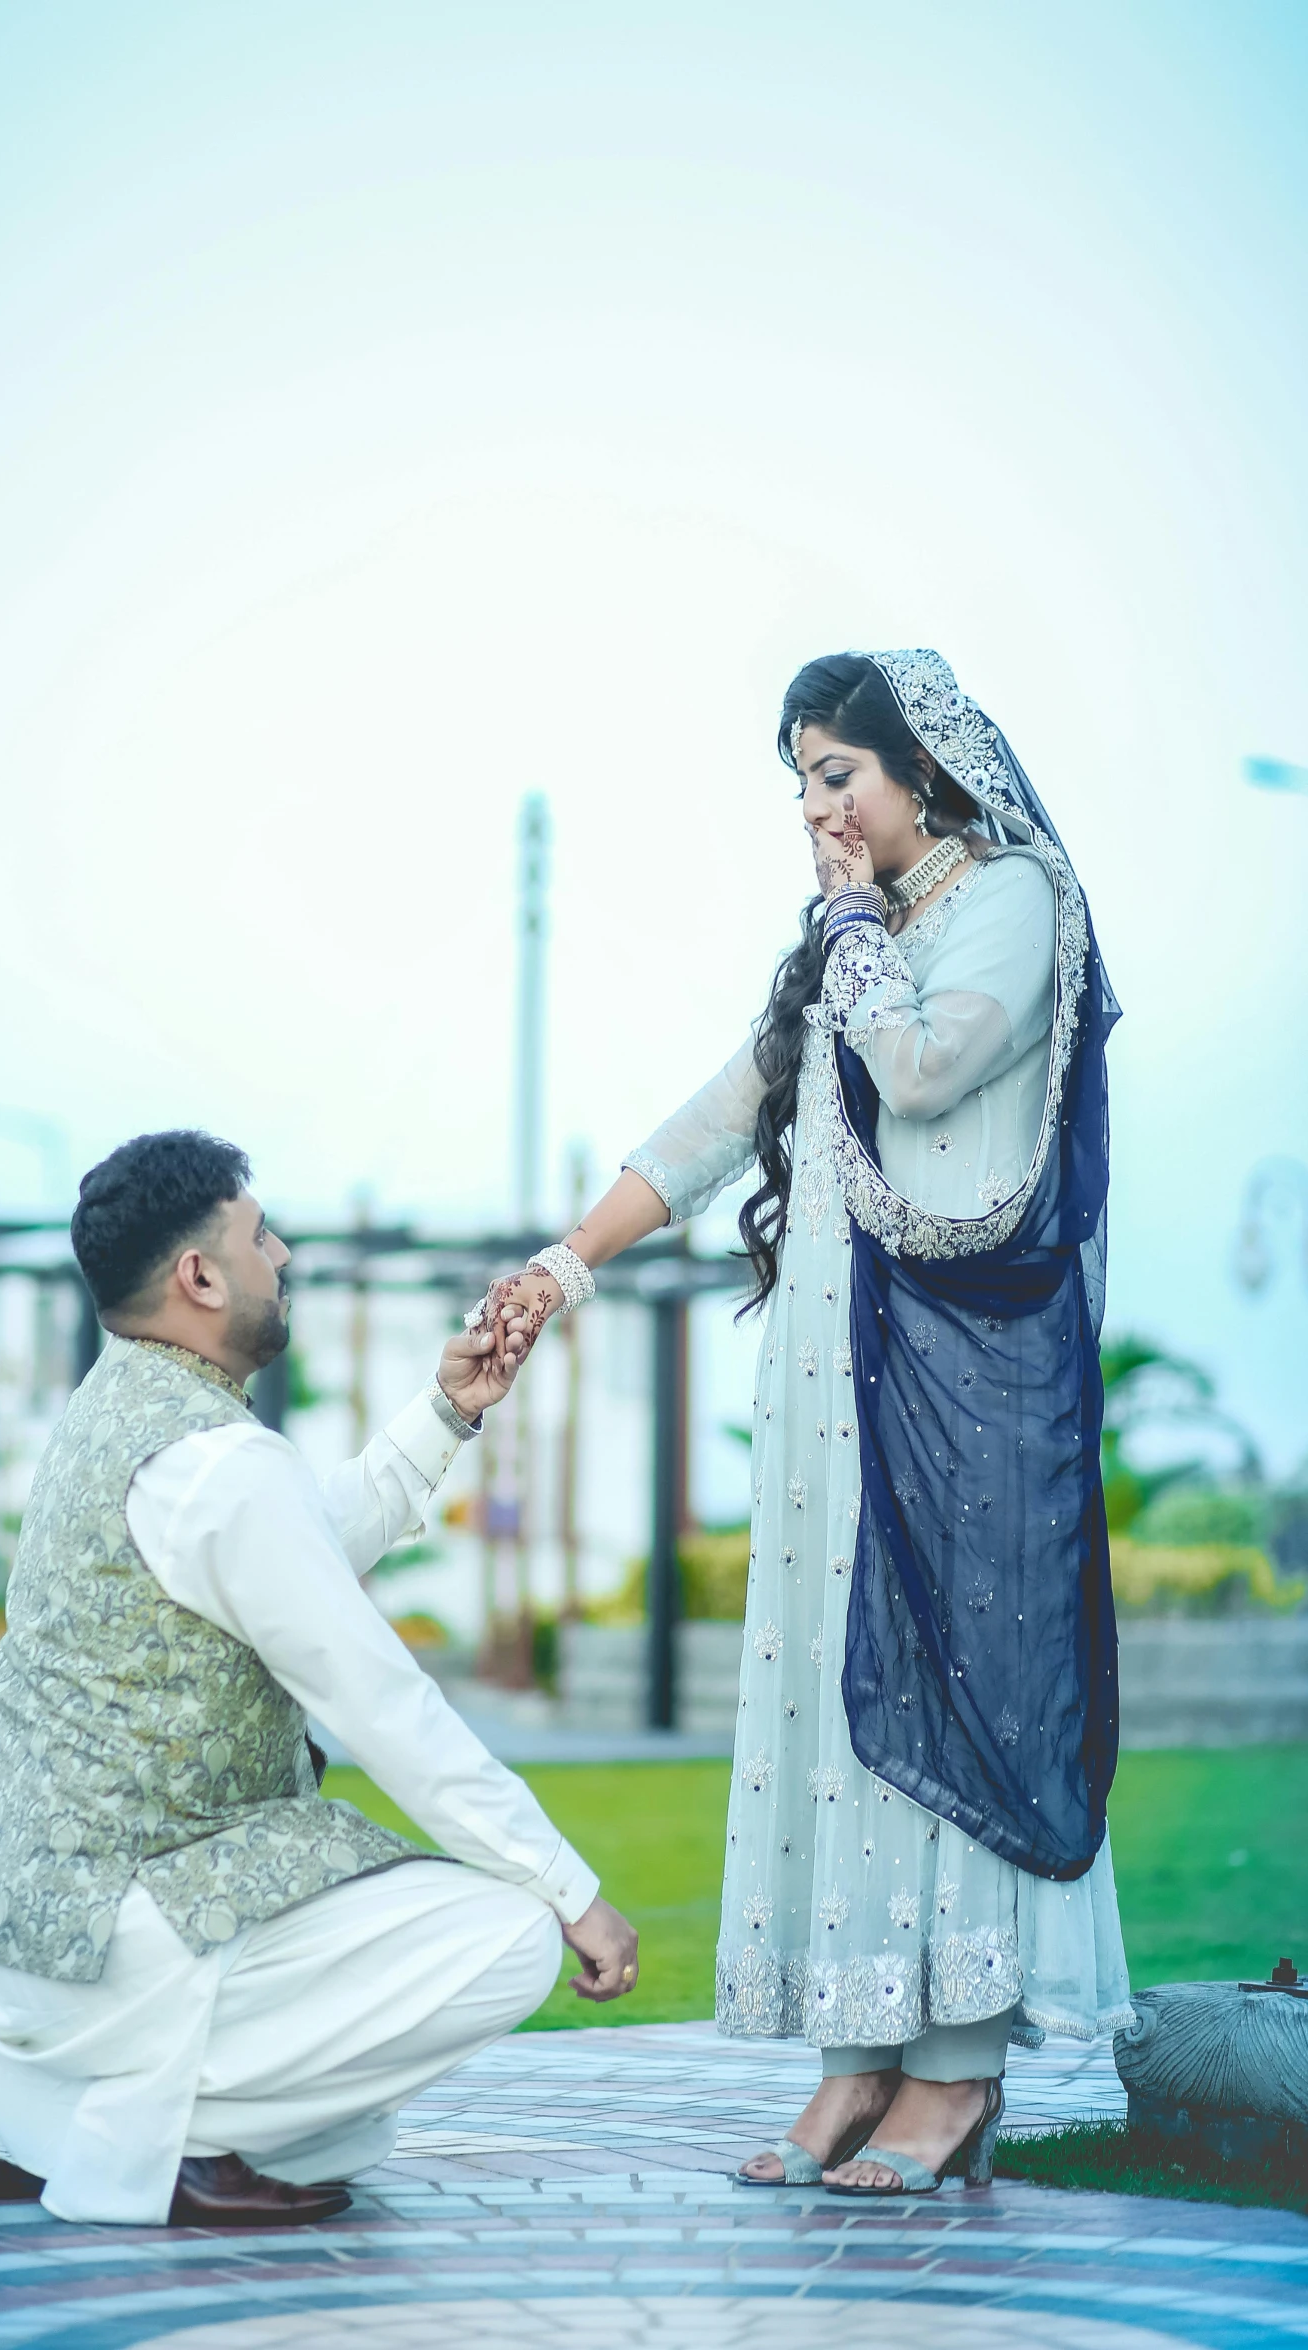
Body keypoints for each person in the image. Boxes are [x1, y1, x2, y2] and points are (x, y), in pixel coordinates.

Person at [483, 649, 1132, 2195]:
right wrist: (567, 1260)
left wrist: (849, 924)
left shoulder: (1014, 902)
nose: (813, 811)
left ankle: (955, 2072)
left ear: (925, 770)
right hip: (832, 1393)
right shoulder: (858, 937)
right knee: (838, 1711)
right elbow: (721, 1118)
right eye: (798, 784)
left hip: (966, 1384)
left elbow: (920, 1070)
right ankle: (857, 2062)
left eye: (835, 774)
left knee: (959, 1685)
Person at [0, 1130, 637, 2228]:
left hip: (37, 1929)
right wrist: (567, 1890)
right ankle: (154, 2126)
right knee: (508, 1936)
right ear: (200, 1275)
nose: (282, 1254)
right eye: (259, 1234)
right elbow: (383, 1705)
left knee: (349, 2130)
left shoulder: (118, 1418)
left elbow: (299, 1545)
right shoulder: (219, 1462)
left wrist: (448, 1410)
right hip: (120, 1930)